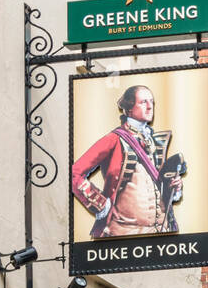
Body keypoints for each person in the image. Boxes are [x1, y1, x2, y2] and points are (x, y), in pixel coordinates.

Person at [71, 84, 186, 240]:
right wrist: (100, 204)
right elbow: (75, 172)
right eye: (143, 102)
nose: (149, 107)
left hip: (160, 231)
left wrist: (173, 187)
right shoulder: (114, 139)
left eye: (151, 102)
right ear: (129, 108)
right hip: (122, 234)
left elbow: (157, 186)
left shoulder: (156, 141)